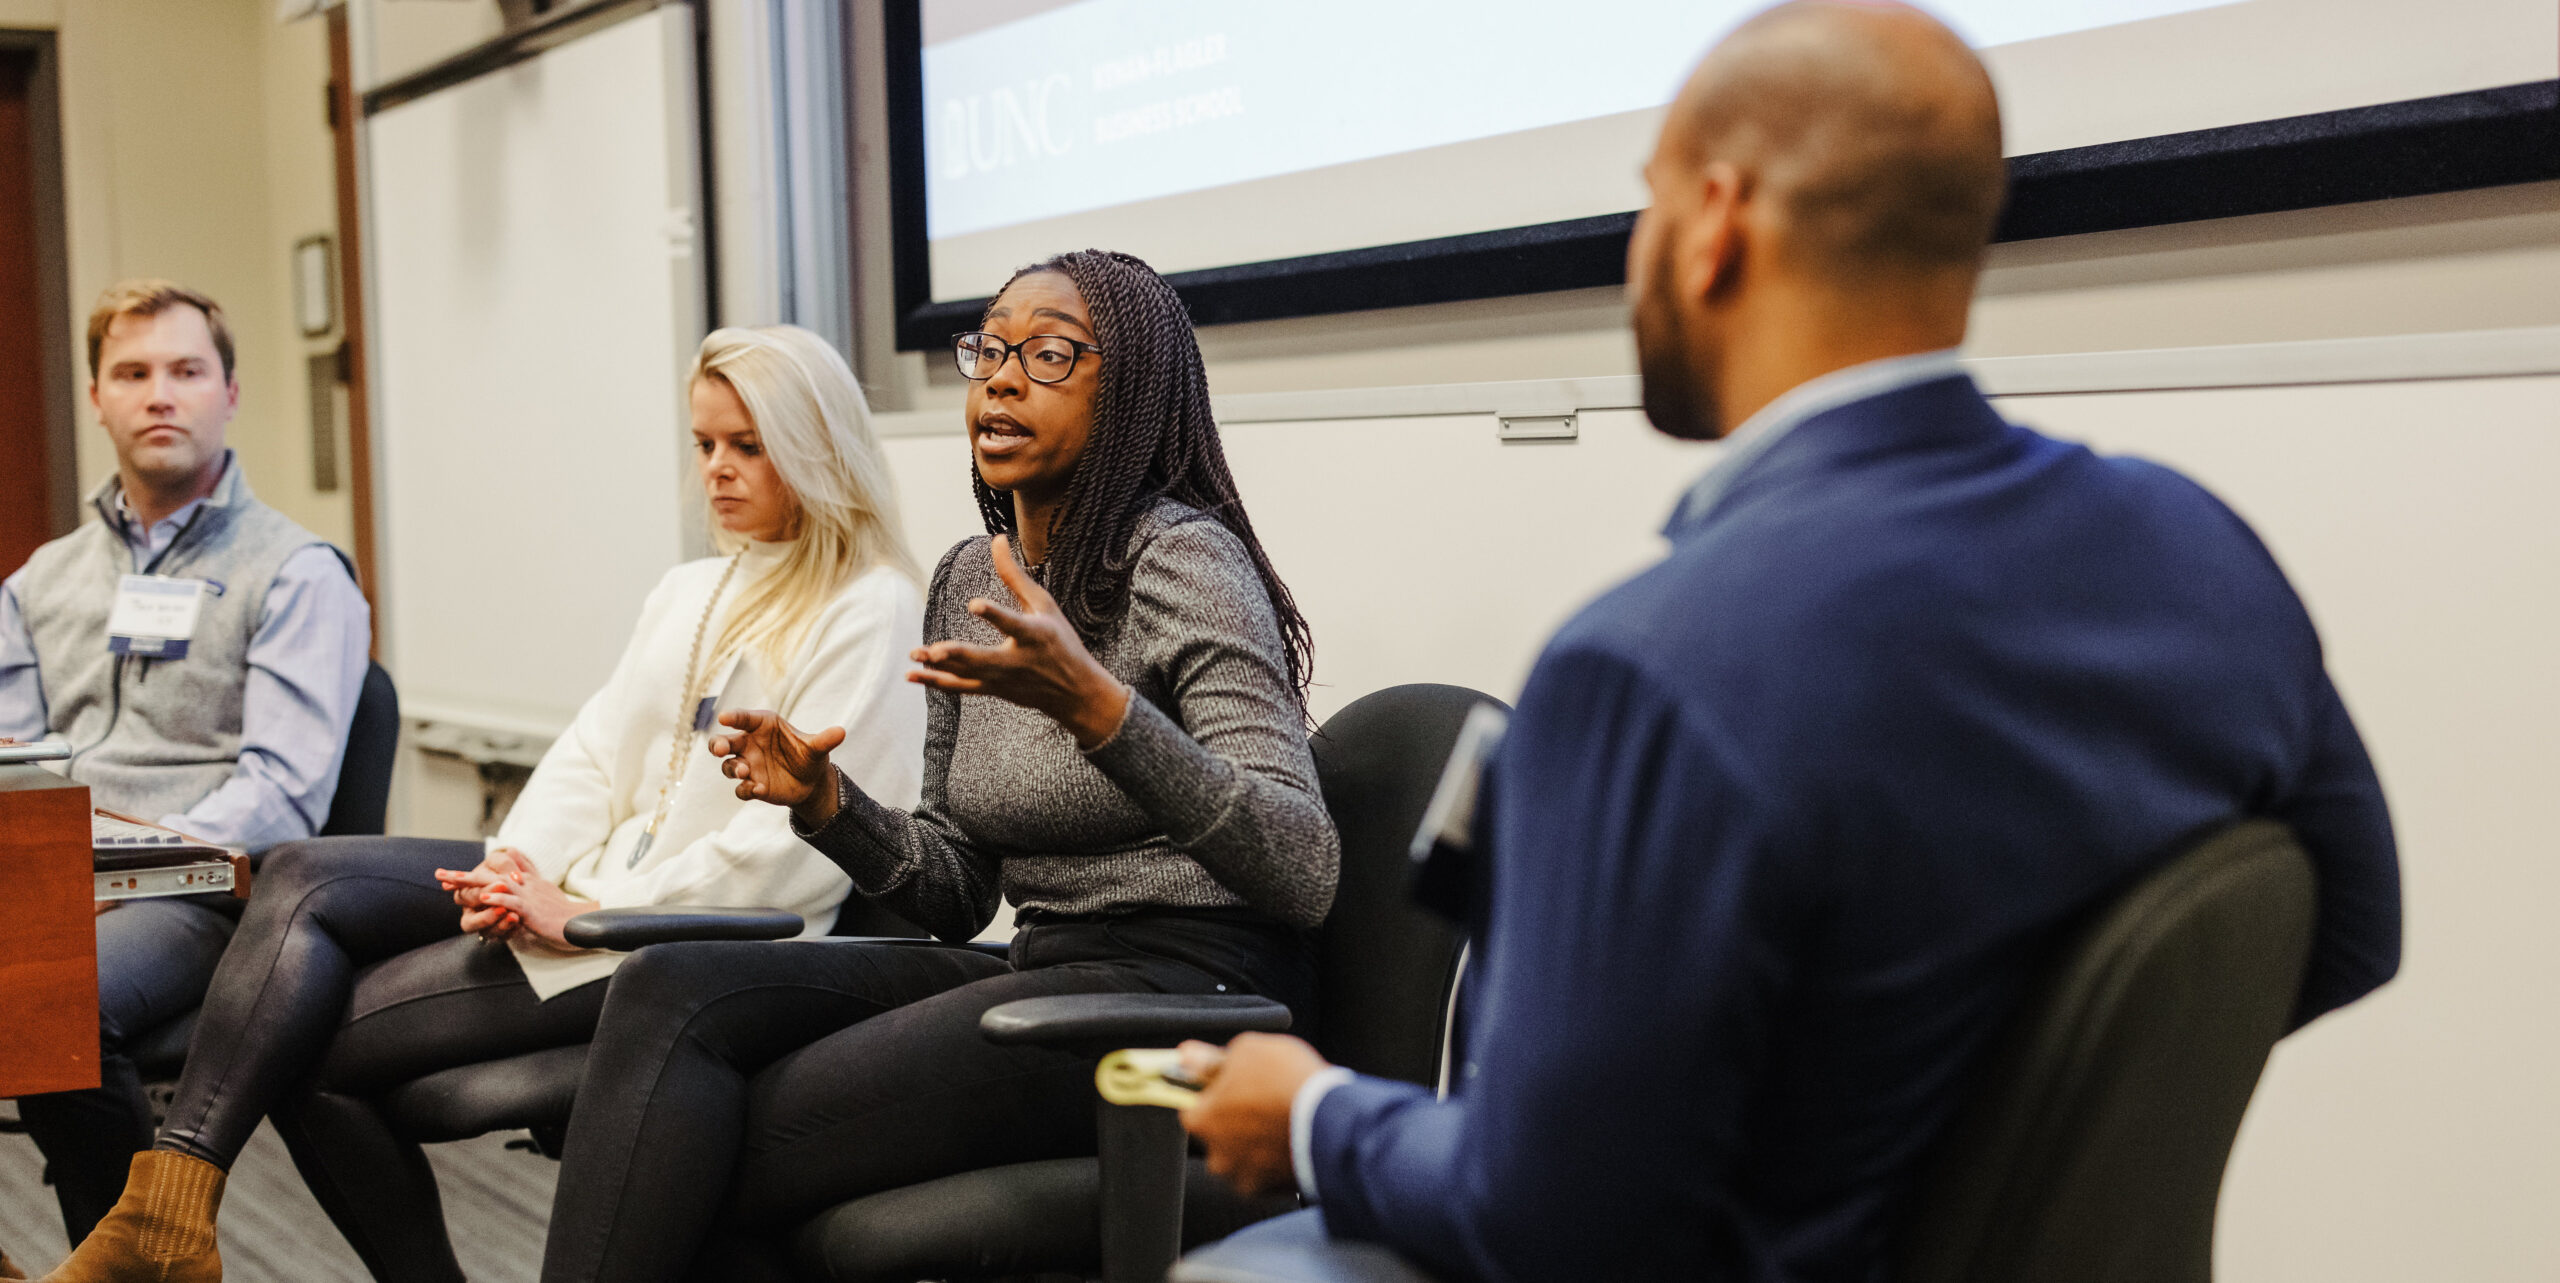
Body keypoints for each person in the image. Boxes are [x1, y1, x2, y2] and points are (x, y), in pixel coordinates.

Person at [1176, 4, 2404, 1281]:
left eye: (1647, 204)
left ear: (1715, 221)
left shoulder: (1646, 666)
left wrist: (1314, 1114)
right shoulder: (2199, 547)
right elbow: (2350, 928)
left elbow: (1545, 1221)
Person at [36, 324, 928, 1283]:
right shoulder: (692, 587)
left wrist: (584, 915)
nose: (716, 469)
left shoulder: (868, 605)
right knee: (296, 875)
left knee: (301, 1036)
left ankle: (166, 1218)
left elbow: (793, 856)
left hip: (684, 942)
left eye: (746, 446)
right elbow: (592, 754)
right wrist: (521, 866)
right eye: (705, 444)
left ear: (816, 445)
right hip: (579, 891)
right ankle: (167, 1206)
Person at [522, 248, 1336, 1282]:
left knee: (693, 1145)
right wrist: (828, 801)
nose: (999, 378)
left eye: (1047, 354)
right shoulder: (967, 576)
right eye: (988, 349)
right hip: (1043, 960)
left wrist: (1100, 709)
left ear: (1129, 388)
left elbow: (1303, 865)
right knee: (670, 987)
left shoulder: (1182, 560)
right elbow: (953, 886)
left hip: (1181, 997)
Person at [0, 281, 371, 1250]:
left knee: (42, 994)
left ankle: (136, 1257)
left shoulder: (296, 571)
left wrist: (115, 874)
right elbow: (13, 766)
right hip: (52, 883)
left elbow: (282, 793)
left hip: (211, 893)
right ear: (97, 396)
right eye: (133, 372)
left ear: (230, 392)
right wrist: (52, 876)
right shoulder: (38, 581)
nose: (160, 393)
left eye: (186, 371)